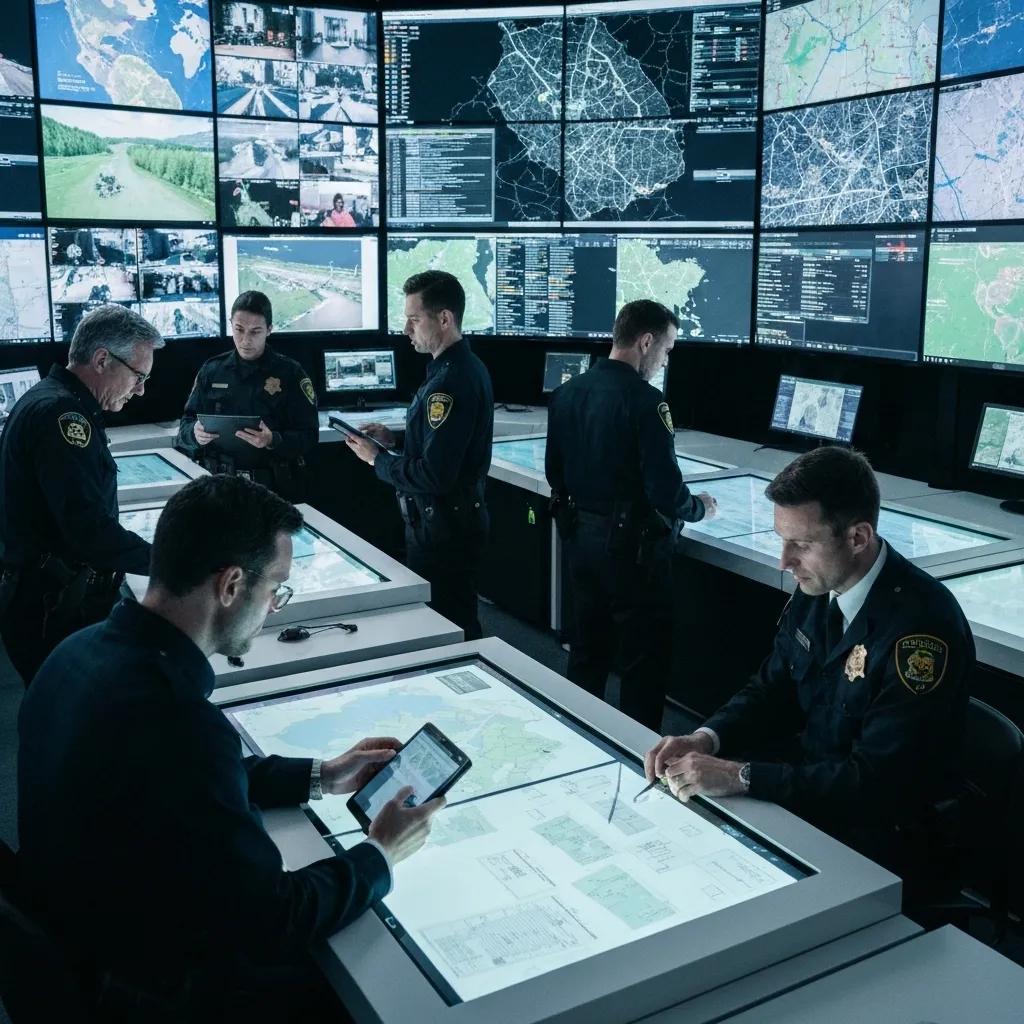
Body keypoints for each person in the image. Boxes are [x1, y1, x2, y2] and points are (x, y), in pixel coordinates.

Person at [17, 475, 444, 1023]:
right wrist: (380, 853)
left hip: (84, 939)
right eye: (275, 589)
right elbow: (270, 921)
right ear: (230, 585)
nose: (276, 610)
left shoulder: (75, 654)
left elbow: (176, 779)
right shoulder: (179, 719)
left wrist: (323, 774)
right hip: (156, 989)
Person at [644, 446, 974, 892]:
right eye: (782, 540)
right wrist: (706, 737)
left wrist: (742, 776)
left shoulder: (922, 631)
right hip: (811, 797)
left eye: (801, 544)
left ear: (857, 538)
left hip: (883, 840)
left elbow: (878, 783)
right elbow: (771, 687)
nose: (784, 561)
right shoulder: (822, 586)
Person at [546, 300, 717, 730]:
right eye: (667, 348)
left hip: (579, 540)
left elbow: (555, 471)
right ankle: (639, 748)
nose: (664, 360)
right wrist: (699, 508)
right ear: (645, 342)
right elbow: (664, 488)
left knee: (588, 649)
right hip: (633, 554)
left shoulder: (568, 392)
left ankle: (579, 735)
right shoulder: (648, 402)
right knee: (643, 661)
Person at [0, 304, 161, 684]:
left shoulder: (54, 401)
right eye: (138, 376)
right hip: (54, 610)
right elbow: (88, 530)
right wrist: (170, 564)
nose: (140, 391)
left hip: (53, 601)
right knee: (68, 727)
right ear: (103, 359)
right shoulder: (62, 416)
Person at [344, 271, 493, 639]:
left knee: (450, 626)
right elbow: (441, 445)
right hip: (444, 523)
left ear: (444, 319)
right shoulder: (452, 369)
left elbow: (435, 475)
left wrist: (376, 460)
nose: (406, 330)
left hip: (444, 530)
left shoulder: (450, 382)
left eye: (414, 320)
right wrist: (392, 439)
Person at [176, 290, 318, 500]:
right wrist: (194, 435)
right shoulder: (212, 370)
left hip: (273, 490)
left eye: (255, 332)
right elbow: (184, 428)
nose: (245, 340)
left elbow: (309, 436)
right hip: (219, 488)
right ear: (230, 324)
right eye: (239, 330)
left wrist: (273, 440)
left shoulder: (290, 373)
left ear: (269, 329)